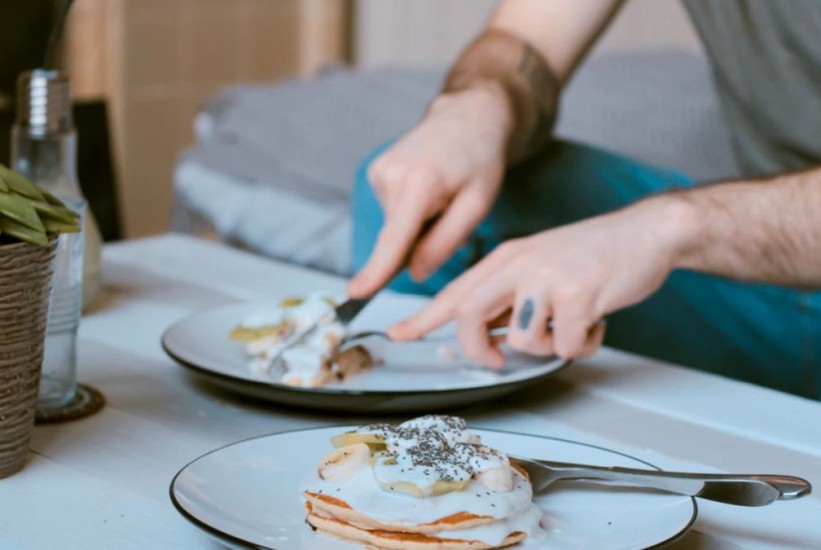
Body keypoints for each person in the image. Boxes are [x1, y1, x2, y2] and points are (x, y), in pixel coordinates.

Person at [347, 0, 821, 398]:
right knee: (424, 197)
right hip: (771, 284)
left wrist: (669, 230)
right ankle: (418, 473)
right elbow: (528, 35)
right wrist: (478, 105)